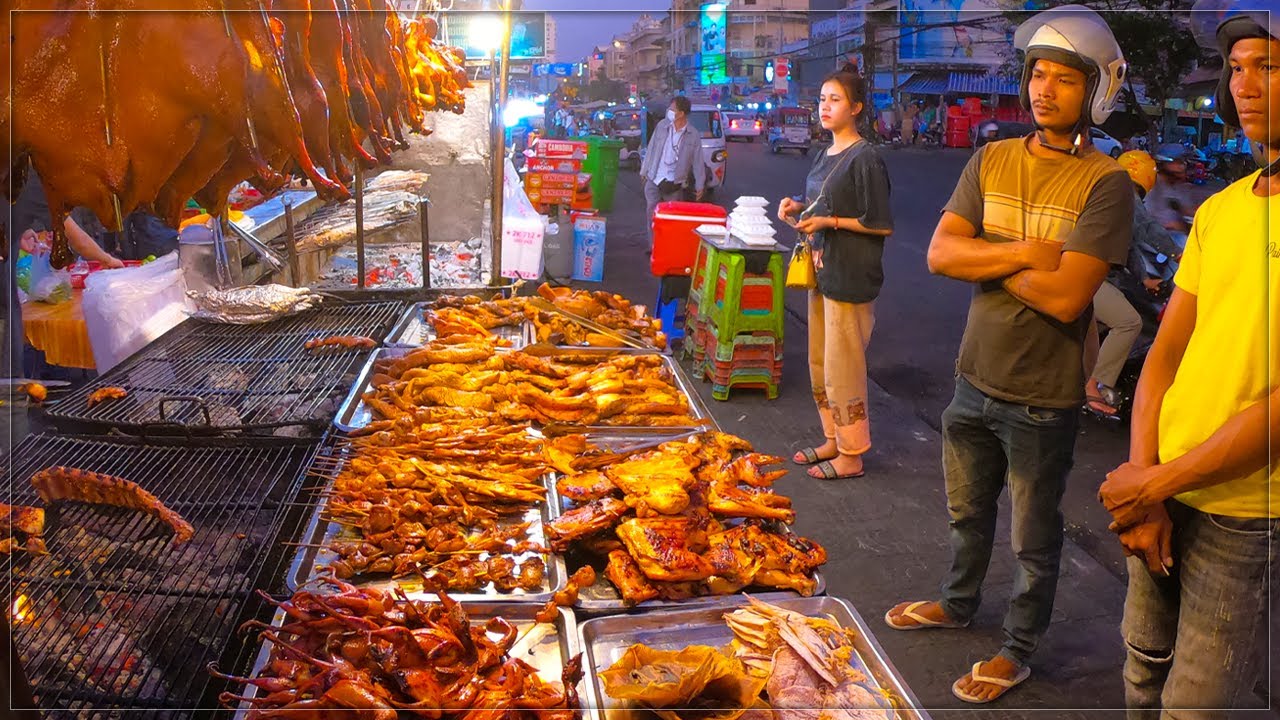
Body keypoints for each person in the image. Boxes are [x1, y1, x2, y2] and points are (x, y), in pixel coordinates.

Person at [883, 5, 1133, 704]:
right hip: (972, 379)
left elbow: (1066, 298)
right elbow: (938, 254)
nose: (1044, 90)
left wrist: (981, 258)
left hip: (1042, 398)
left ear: (1094, 92)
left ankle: (1018, 649)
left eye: (1063, 79)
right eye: (1038, 75)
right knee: (967, 515)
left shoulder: (1105, 184)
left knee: (1033, 536)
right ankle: (958, 603)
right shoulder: (990, 157)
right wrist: (1023, 253)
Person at [1098, 1, 1279, 714]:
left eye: (1270, 66)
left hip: (1245, 513)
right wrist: (1147, 477)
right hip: (1164, 486)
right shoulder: (1223, 209)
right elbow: (1165, 354)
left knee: (1192, 706)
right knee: (1142, 677)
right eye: (1238, 68)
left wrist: (1152, 482)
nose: (1245, 84)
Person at [779, 65, 893, 481]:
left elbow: (880, 223)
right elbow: (820, 201)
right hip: (820, 270)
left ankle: (852, 453)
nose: (825, 107)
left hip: (850, 276)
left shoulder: (865, 157)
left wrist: (830, 224)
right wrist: (796, 206)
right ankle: (832, 437)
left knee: (844, 366)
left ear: (857, 107)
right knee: (820, 362)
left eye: (836, 100)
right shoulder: (822, 153)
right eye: (823, 99)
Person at [1085, 150, 1184, 419]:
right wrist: (1179, 253)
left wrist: (1143, 278)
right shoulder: (1125, 192)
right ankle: (1095, 384)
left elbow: (1126, 246)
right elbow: (1146, 228)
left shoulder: (1115, 193)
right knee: (1129, 322)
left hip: (1097, 273)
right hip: (1089, 275)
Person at [639, 96, 706, 250]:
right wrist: (644, 170)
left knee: (671, 217)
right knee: (652, 214)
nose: (669, 111)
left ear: (681, 113)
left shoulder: (693, 134)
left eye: (672, 109)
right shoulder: (662, 126)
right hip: (654, 177)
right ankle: (654, 247)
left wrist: (700, 184)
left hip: (674, 182)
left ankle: (668, 248)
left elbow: (697, 161)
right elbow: (651, 149)